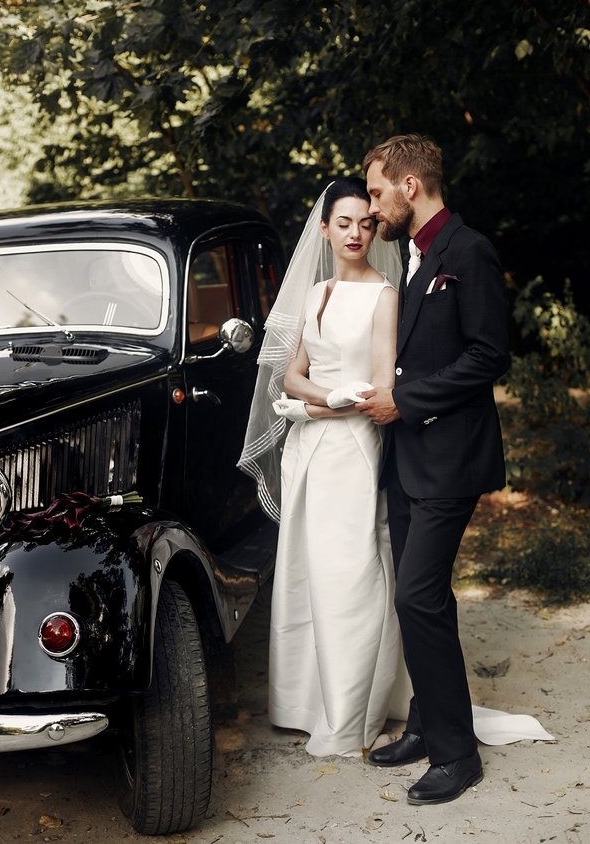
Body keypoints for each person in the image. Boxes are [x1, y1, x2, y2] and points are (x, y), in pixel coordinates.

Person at [358, 133, 509, 803]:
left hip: (450, 459)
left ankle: (457, 755)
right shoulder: (410, 256)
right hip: (407, 458)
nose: (370, 207)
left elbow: (487, 357)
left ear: (408, 186)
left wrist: (404, 398)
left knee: (417, 596)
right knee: (425, 601)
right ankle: (425, 722)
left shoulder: (468, 251)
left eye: (375, 191)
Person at [238, 177, 410, 756]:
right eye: (344, 223)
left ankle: (353, 710)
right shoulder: (315, 295)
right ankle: (303, 702)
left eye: (366, 222)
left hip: (353, 446)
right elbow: (288, 375)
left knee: (351, 574)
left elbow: (384, 386)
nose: (356, 233)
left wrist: (333, 404)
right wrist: (317, 400)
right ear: (325, 229)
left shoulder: (384, 295)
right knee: (307, 568)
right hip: (309, 444)